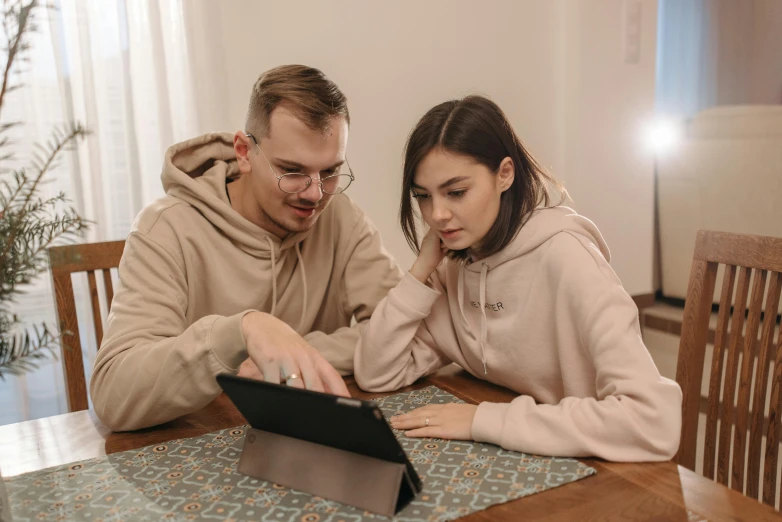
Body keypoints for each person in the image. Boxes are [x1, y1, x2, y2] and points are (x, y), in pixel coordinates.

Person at [354, 95, 682, 462]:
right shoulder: (453, 265)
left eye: (456, 192)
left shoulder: (567, 258)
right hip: (523, 456)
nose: (437, 215)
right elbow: (375, 373)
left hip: (598, 468)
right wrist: (419, 272)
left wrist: (482, 419)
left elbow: (654, 421)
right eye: (423, 197)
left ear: (504, 174)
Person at [92, 65, 401, 431]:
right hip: (200, 452)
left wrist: (290, 355)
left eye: (330, 172)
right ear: (243, 152)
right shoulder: (165, 229)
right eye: (292, 170)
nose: (316, 193)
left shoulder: (340, 215)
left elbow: (403, 333)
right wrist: (239, 334)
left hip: (311, 440)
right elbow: (114, 395)